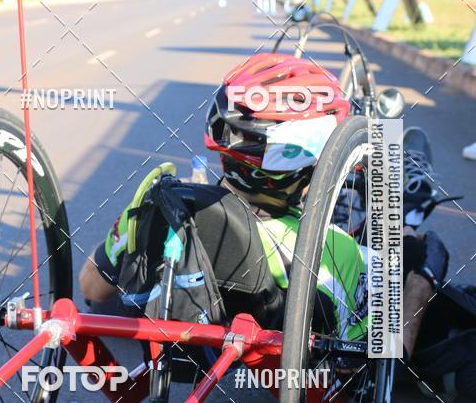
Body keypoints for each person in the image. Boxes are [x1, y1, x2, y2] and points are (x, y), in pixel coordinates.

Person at [80, 54, 451, 367]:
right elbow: (389, 352)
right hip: (298, 315)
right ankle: (409, 210)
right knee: (418, 246)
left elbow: (91, 288)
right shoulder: (336, 253)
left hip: (198, 311)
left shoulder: (161, 204)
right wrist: (424, 276)